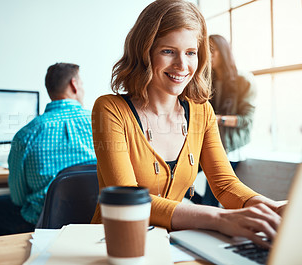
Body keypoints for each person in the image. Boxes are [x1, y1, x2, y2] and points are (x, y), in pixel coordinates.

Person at [90, 0, 285, 247]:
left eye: (191, 52)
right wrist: (220, 217)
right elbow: (130, 201)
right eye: (168, 51)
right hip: (113, 246)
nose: (183, 65)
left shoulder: (202, 111)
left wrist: (270, 208)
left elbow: (225, 185)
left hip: (172, 246)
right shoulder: (110, 109)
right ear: (144, 52)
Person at [0, 63, 97, 237]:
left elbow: (18, 198)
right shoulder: (101, 123)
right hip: (94, 216)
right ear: (74, 85)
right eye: (82, 84)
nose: (83, 89)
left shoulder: (25, 135)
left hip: (47, 220)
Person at [193, 34, 257, 206]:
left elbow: (246, 120)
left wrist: (216, 119)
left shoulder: (244, 80)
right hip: (208, 146)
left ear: (224, 51)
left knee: (210, 200)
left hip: (231, 148)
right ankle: (205, 208)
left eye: (212, 50)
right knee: (178, 181)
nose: (208, 54)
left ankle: (209, 212)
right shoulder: (207, 80)